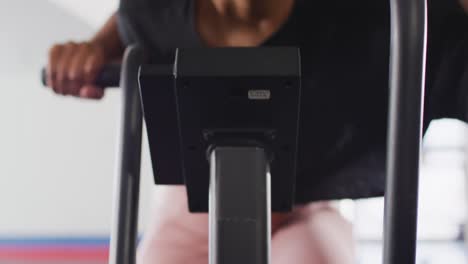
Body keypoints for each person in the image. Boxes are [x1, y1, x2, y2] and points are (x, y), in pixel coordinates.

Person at [45, 0, 468, 263]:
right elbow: (130, 20)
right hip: (194, 209)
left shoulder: (360, 18)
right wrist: (94, 50)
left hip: (310, 203)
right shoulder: (151, 13)